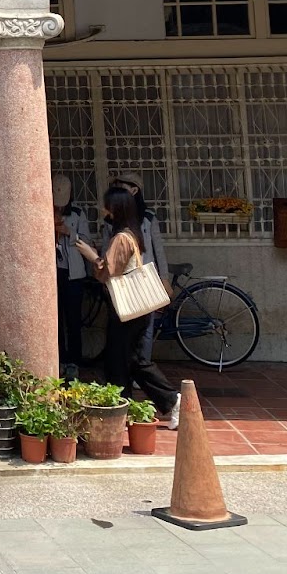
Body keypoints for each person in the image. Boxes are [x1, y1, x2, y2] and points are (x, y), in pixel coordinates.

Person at [77, 185, 181, 426]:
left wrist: (91, 255)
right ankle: (125, 410)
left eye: (106, 206)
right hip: (135, 310)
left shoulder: (121, 238)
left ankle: (171, 400)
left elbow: (108, 271)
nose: (103, 210)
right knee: (123, 360)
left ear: (116, 209)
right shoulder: (131, 233)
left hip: (127, 310)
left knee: (129, 360)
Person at [109, 172, 169, 362]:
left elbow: (158, 251)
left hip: (145, 278)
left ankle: (143, 364)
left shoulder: (148, 218)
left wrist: (164, 278)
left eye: (122, 188)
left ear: (134, 191)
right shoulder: (111, 219)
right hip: (122, 281)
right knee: (124, 327)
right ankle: (127, 365)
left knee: (146, 328)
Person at [53, 173, 91, 378]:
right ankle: (59, 359)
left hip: (74, 274)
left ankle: (74, 361)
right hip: (53, 272)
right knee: (55, 320)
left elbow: (87, 241)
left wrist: (69, 233)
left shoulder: (77, 213)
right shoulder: (44, 210)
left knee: (73, 320)